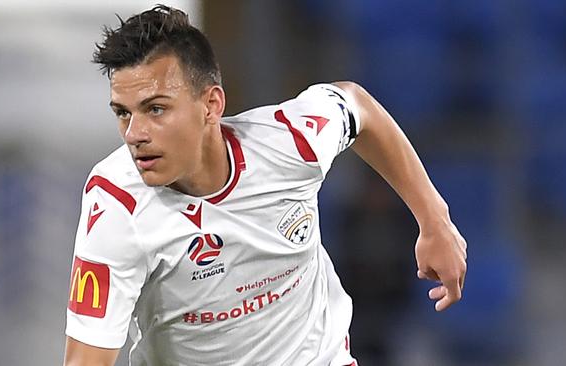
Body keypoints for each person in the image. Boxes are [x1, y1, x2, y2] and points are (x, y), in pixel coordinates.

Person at [63, 5, 467, 366]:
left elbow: (357, 106)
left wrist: (435, 220)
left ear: (211, 104)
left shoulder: (289, 144)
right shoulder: (117, 206)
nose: (135, 133)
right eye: (122, 113)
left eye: (156, 109)